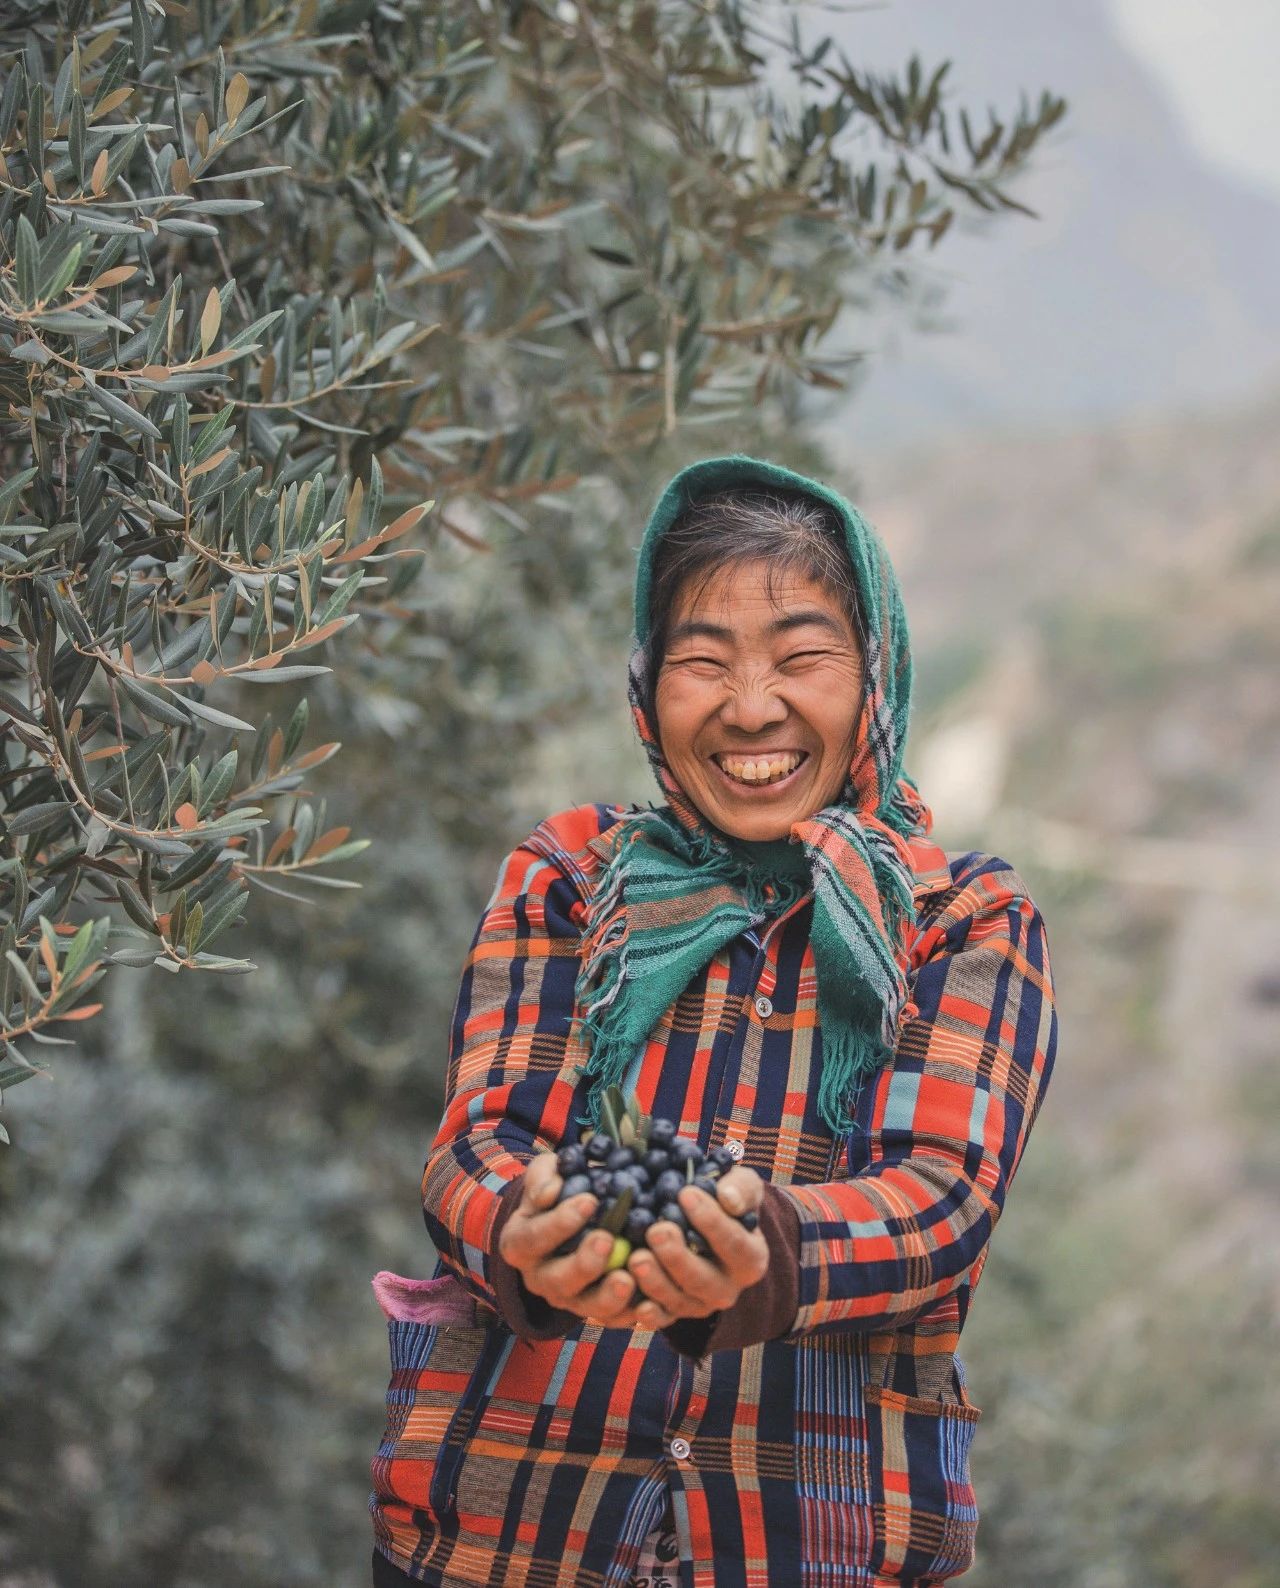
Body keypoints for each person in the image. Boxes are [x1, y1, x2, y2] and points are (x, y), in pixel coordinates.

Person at [369, 454, 1058, 1588]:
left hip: (804, 1545)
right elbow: (481, 1144)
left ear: (873, 677)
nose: (750, 708)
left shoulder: (963, 919)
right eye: (702, 662)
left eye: (801, 658)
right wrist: (527, 1233)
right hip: (504, 1534)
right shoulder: (569, 874)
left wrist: (763, 1254)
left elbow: (939, 1198)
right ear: (649, 689)